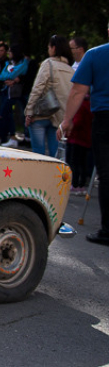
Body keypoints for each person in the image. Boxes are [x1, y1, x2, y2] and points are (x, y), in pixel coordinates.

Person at [58, 22, 109, 246]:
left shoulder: (96, 54)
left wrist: (67, 121)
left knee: (107, 174)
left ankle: (108, 230)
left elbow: (78, 91)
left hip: (105, 119)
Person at [24, 35, 74, 156]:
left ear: (53, 48)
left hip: (41, 113)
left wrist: (29, 111)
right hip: (58, 116)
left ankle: (38, 175)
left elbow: (38, 88)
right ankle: (53, 175)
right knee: (54, 154)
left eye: (48, 47)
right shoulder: (71, 69)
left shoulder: (48, 63)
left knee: (38, 153)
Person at [0, 43, 28, 147]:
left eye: (10, 51)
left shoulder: (23, 63)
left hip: (14, 92)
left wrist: (13, 79)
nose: (8, 53)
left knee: (4, 113)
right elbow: (3, 76)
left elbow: (10, 74)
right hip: (6, 90)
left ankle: (10, 137)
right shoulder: (9, 63)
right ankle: (0, 136)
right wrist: (11, 78)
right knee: (4, 114)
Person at [67, 37, 93, 195]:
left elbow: (77, 91)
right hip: (79, 112)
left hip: (83, 112)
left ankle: (79, 182)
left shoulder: (90, 61)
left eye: (72, 48)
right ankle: (78, 181)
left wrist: (68, 121)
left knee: (78, 155)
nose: (70, 51)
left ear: (80, 49)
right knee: (76, 153)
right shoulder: (73, 66)